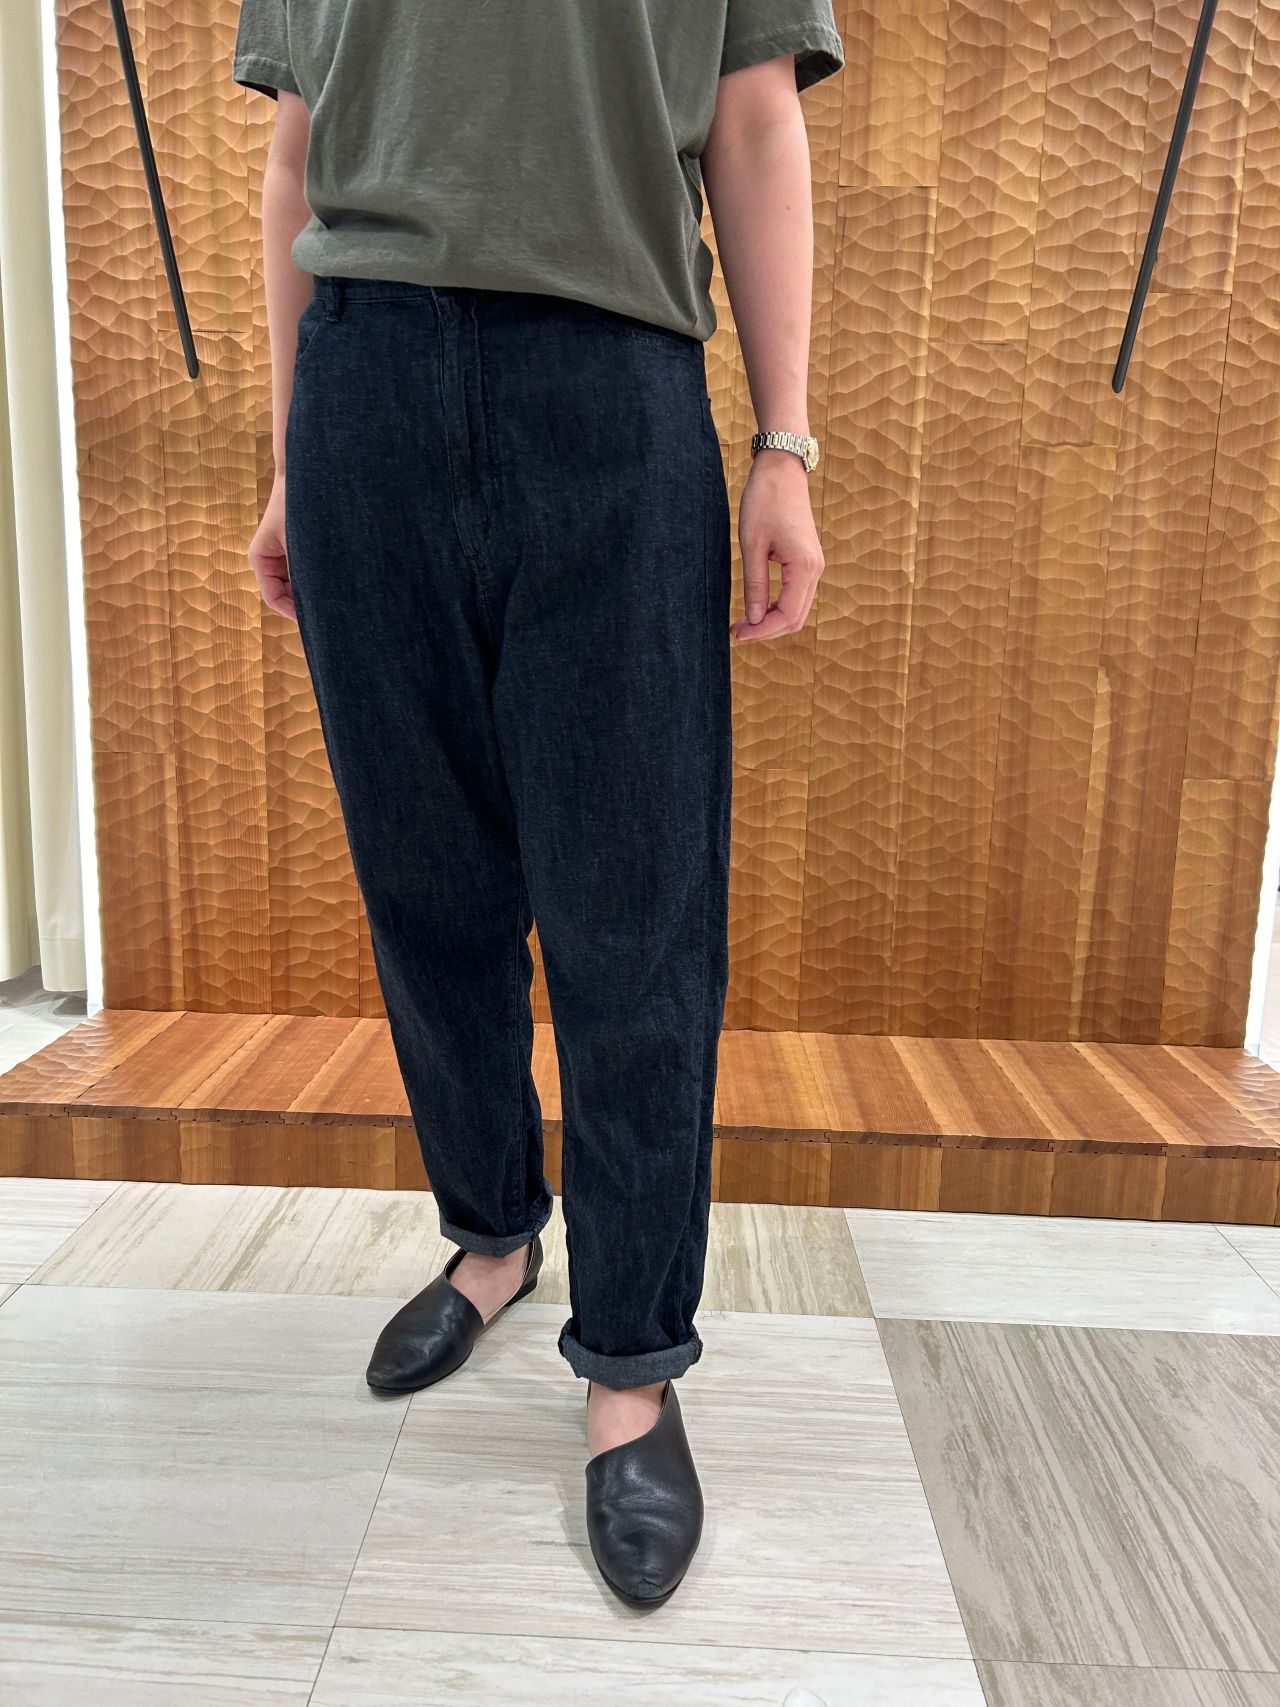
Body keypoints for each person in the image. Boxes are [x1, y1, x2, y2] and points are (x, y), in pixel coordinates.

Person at [233, 0, 843, 1608]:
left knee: (632, 915)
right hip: (364, 383)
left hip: (610, 381)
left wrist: (783, 446)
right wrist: (292, 449)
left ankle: (631, 1362)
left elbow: (755, 122)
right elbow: (298, 153)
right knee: (426, 884)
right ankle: (493, 1234)